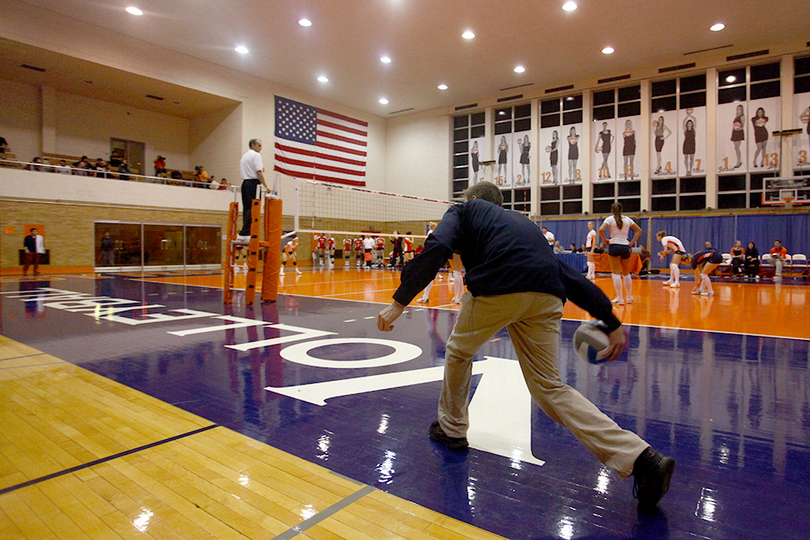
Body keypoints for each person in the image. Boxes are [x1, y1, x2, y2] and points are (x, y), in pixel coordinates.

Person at [377, 181, 675, 510]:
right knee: (550, 388)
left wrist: (399, 302)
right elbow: (569, 275)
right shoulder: (526, 225)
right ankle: (642, 459)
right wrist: (611, 320)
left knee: (460, 352)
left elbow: (435, 248)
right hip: (546, 296)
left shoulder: (464, 210)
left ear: (474, 199)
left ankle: (452, 428)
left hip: (497, 286)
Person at [599, 203, 642, 304]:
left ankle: (620, 298)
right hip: (625, 246)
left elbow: (601, 229)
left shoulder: (610, 219)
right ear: (622, 210)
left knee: (616, 274)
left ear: (612, 210)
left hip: (614, 245)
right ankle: (629, 297)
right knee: (626, 273)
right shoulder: (628, 219)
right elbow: (639, 230)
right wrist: (631, 242)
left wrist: (605, 240)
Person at [238, 139, 268, 241]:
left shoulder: (244, 156)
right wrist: (266, 186)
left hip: (245, 183)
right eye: (259, 145)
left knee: (246, 208)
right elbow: (258, 172)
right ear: (253, 145)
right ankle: (245, 232)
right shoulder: (256, 155)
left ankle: (244, 233)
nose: (261, 148)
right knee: (253, 208)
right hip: (253, 184)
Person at [731, 105, 745, 169]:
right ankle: (738, 161)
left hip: (738, 132)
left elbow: (742, 126)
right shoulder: (736, 116)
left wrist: (738, 129)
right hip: (734, 132)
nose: (738, 110)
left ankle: (738, 161)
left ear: (742, 110)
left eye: (739, 109)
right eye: (737, 109)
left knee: (737, 147)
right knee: (735, 148)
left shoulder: (742, 117)